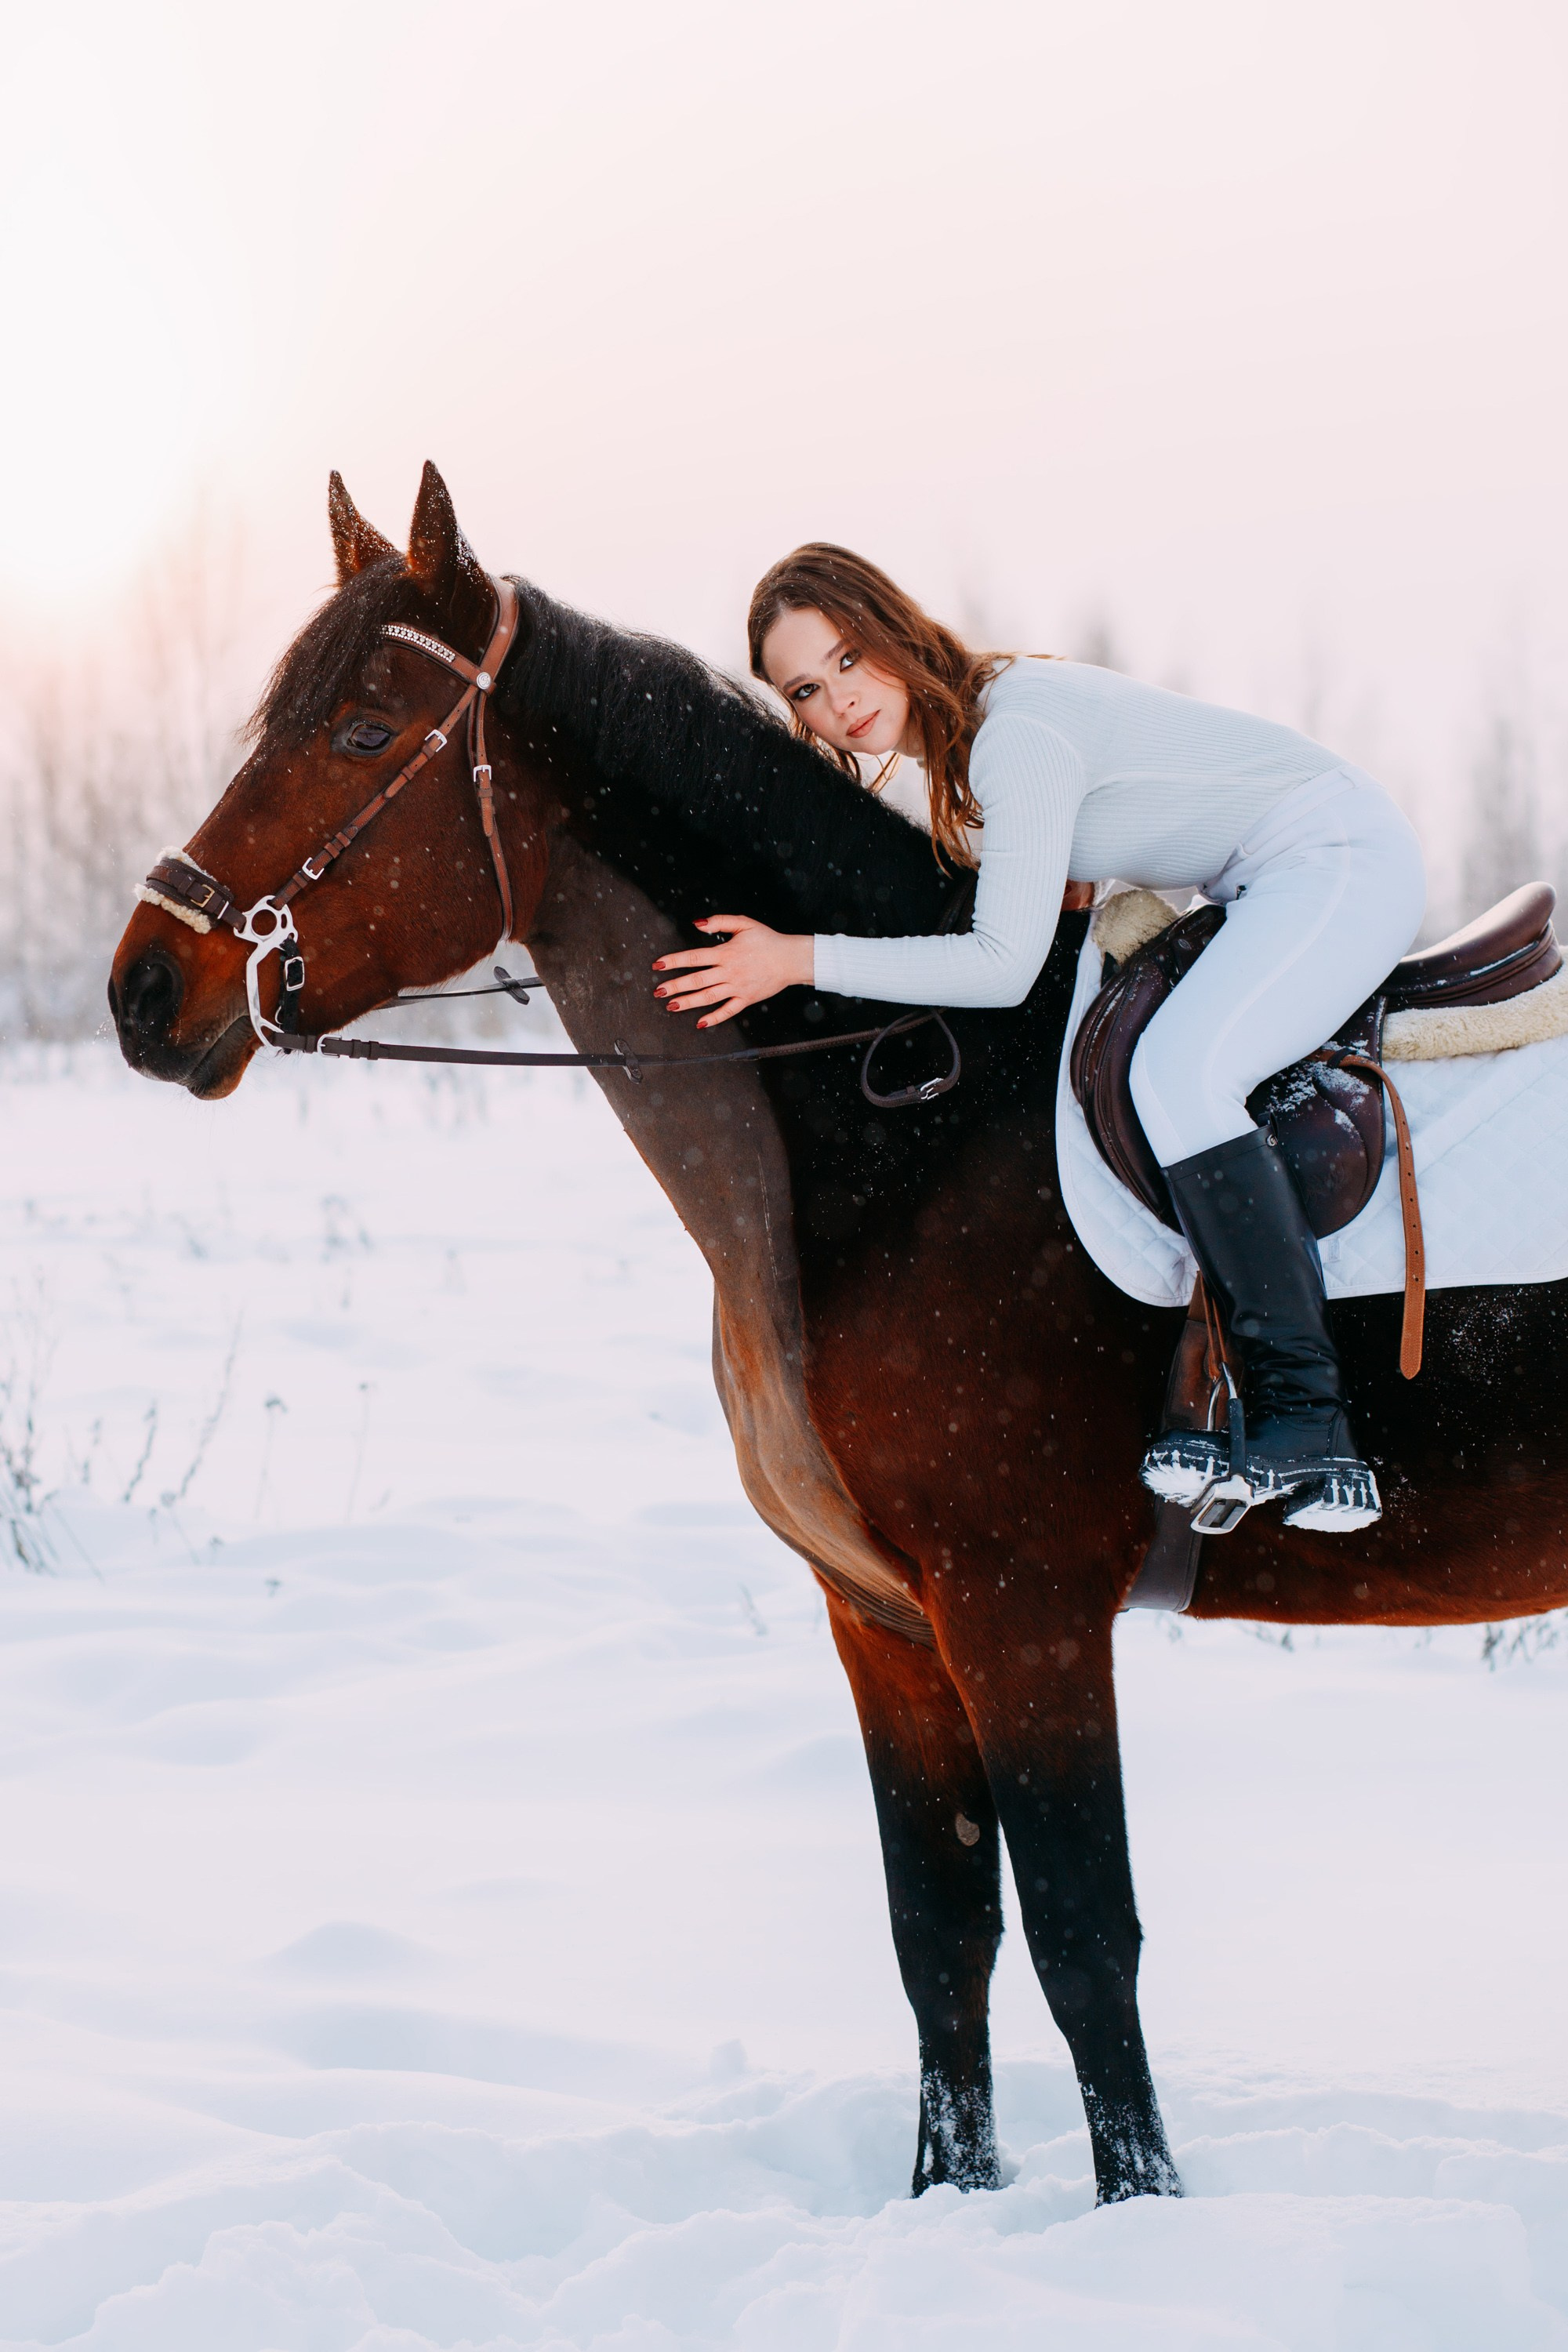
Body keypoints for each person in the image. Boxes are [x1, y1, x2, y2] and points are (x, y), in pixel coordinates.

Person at [652, 546, 1426, 1532]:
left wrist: (794, 961)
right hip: (1247, 879)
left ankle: (1305, 1418)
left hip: (1331, 857)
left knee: (1180, 1075)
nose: (838, 700)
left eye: (849, 657)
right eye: (806, 688)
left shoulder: (1008, 738)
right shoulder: (971, 740)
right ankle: (1204, 1378)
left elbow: (998, 965)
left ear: (890, 625)